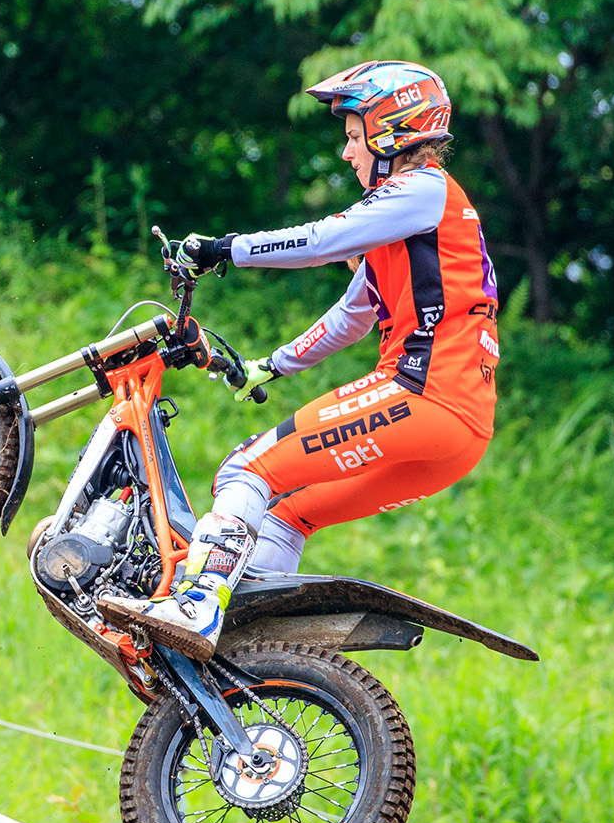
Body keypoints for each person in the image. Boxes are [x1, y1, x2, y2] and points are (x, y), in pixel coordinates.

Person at [99, 60, 500, 661]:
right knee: (287, 513)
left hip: (422, 393)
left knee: (246, 469)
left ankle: (197, 602)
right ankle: (253, 652)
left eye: (354, 135)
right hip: (461, 433)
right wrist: (272, 365)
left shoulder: (423, 189)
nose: (347, 152)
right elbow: (350, 317)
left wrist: (223, 249)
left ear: (391, 131)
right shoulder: (414, 221)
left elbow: (319, 241)